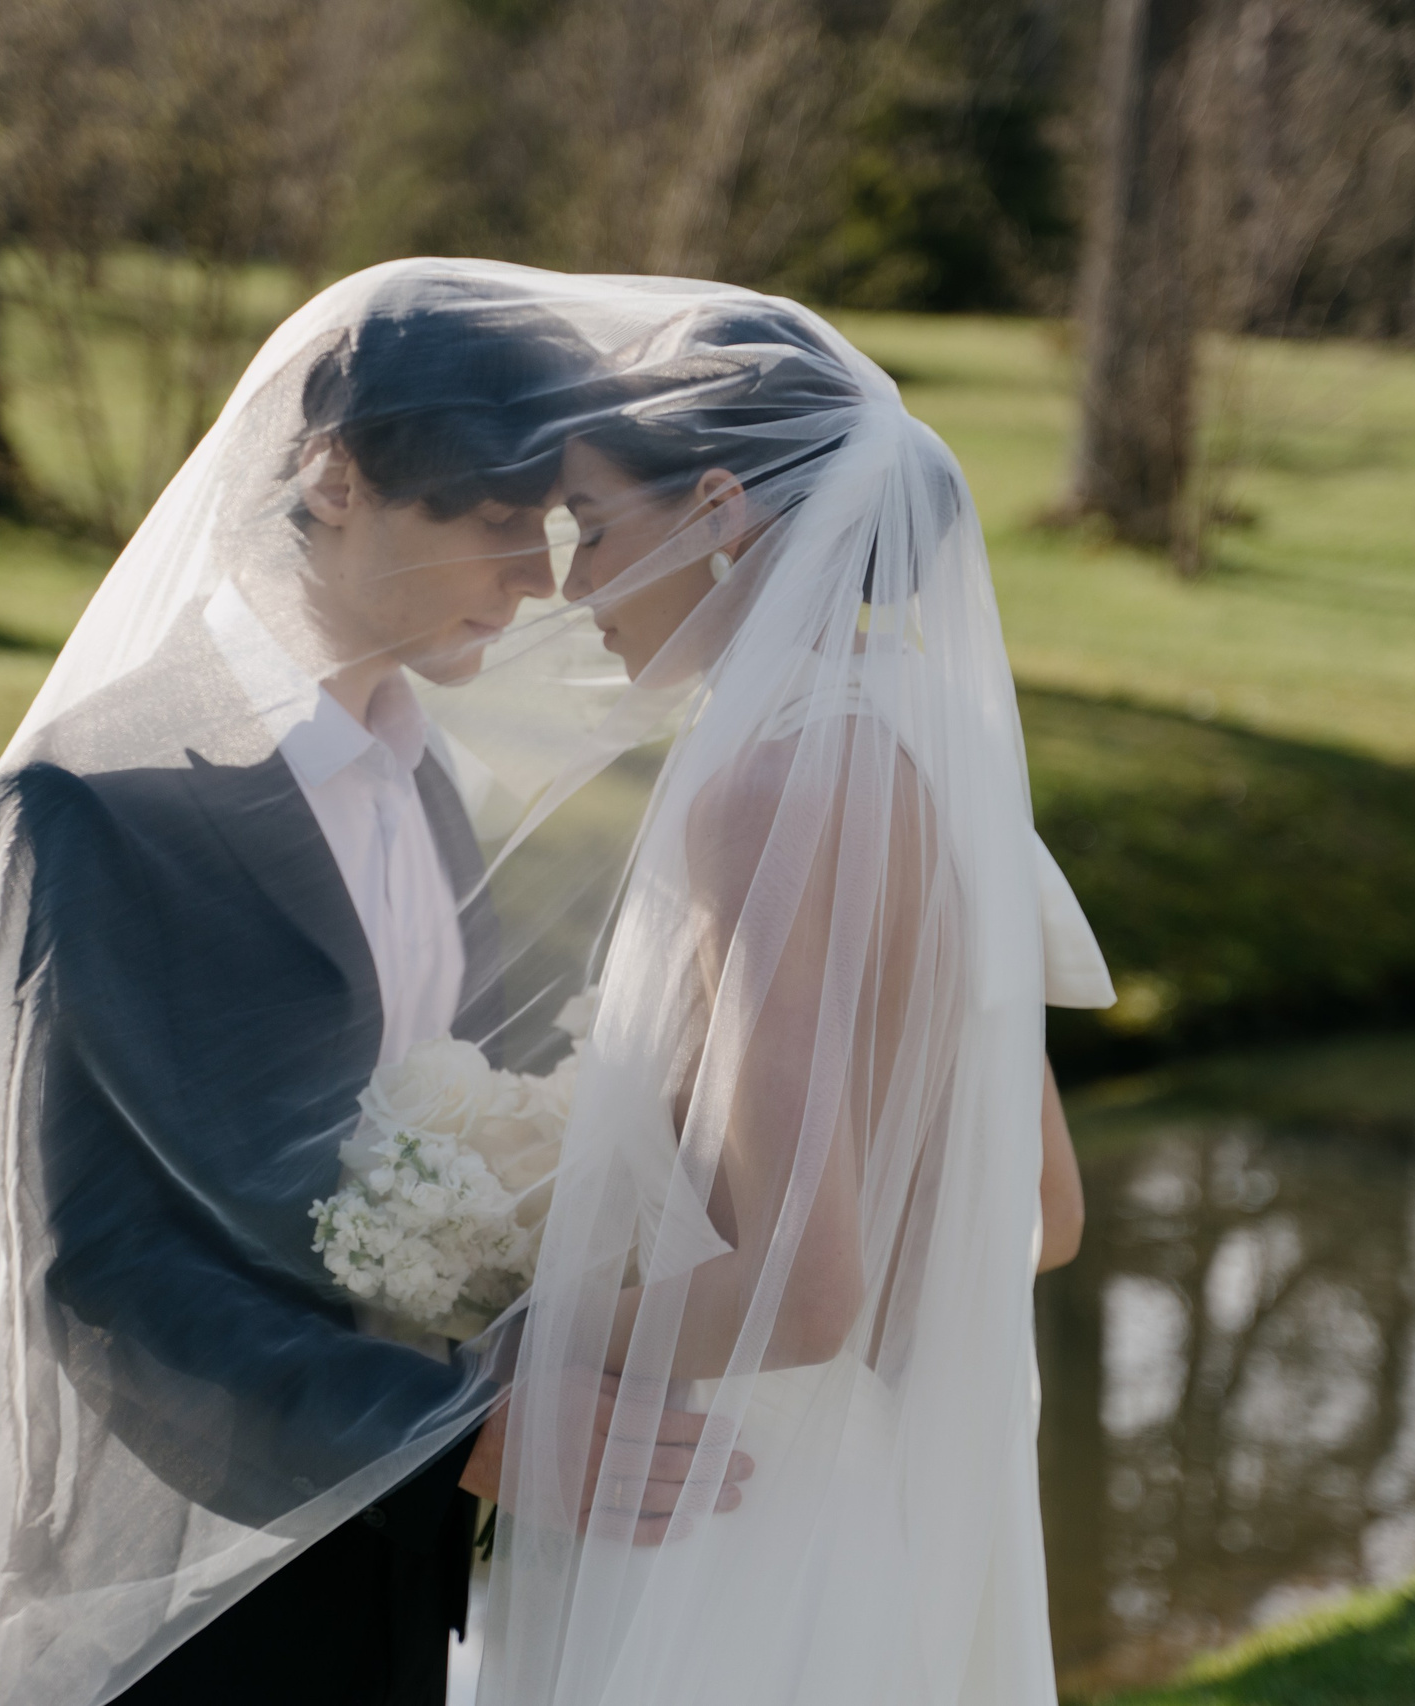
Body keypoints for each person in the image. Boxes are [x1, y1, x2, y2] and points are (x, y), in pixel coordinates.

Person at [0, 271, 749, 1706]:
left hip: (388, 1578)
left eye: (550, 529)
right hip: (164, 1607)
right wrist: (471, 1426)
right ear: (335, 476)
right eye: (494, 525)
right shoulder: (91, 806)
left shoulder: (422, 771)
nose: (539, 580)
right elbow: (99, 1274)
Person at [471, 298, 1114, 1704]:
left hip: (718, 1524)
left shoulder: (765, 793)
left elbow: (802, 1287)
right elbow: (1045, 1214)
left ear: (715, 507)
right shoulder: (936, 762)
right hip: (859, 1512)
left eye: (589, 519)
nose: (573, 585)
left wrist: (512, 1342)